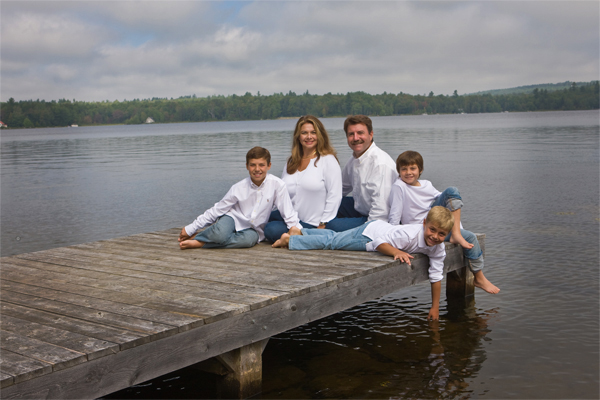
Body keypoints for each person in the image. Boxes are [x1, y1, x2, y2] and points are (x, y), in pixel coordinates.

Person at [272, 206, 454, 320]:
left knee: (336, 238)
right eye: (432, 230)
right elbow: (379, 243)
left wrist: (435, 307)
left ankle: (300, 232)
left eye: (441, 234)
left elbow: (436, 275)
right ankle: (290, 240)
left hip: (377, 228)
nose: (435, 237)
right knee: (333, 243)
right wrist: (396, 251)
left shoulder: (438, 248)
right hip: (369, 235)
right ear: (424, 223)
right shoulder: (407, 236)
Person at [388, 150, 500, 294]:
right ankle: (479, 278)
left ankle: (457, 234)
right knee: (470, 237)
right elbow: (395, 214)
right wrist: (394, 236)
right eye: (404, 169)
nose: (408, 172)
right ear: (399, 171)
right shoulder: (399, 186)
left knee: (452, 192)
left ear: (420, 170)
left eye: (412, 168)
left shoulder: (426, 184)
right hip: (422, 229)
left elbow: (449, 201)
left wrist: (456, 229)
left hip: (435, 223)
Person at [179, 147, 302, 250]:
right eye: (252, 165)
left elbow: (288, 213)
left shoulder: (278, 185)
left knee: (248, 241)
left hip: (254, 229)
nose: (257, 169)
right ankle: (205, 236)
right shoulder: (238, 187)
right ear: (247, 166)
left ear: (269, 166)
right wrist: (191, 228)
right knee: (220, 233)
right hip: (233, 218)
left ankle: (202, 242)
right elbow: (217, 209)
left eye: (261, 165)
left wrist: (298, 232)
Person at [264, 116, 342, 242]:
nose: (309, 137)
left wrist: (323, 223)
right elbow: (281, 194)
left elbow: (335, 195)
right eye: (304, 133)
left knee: (271, 230)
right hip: (290, 220)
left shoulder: (328, 160)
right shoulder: (292, 161)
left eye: (313, 132)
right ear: (298, 137)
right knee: (262, 218)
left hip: (312, 223)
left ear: (320, 135)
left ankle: (308, 235)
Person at [326, 115, 397, 232]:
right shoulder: (355, 159)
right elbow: (340, 189)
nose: (355, 138)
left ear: (371, 134)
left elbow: (381, 212)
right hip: (361, 208)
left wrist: (365, 233)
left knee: (331, 225)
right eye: (351, 134)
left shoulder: (380, 164)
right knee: (326, 203)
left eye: (360, 133)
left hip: (379, 220)